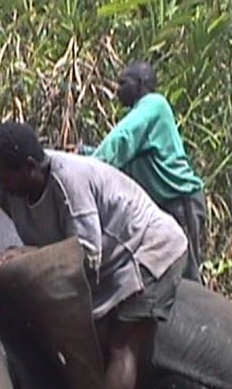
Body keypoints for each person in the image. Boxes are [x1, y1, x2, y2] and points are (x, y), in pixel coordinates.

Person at [0, 120, 189, 389]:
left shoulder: (70, 183)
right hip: (111, 264)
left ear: (30, 168)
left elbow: (87, 254)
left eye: (4, 175)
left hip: (149, 250)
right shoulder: (8, 185)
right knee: (95, 337)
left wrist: (30, 256)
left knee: (122, 342)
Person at [80, 60, 207, 283]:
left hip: (180, 200)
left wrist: (86, 167)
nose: (117, 90)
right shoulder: (143, 114)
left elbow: (121, 141)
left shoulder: (154, 104)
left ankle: (201, 317)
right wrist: (83, 152)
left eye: (122, 83)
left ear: (139, 84)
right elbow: (127, 158)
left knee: (186, 272)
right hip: (162, 204)